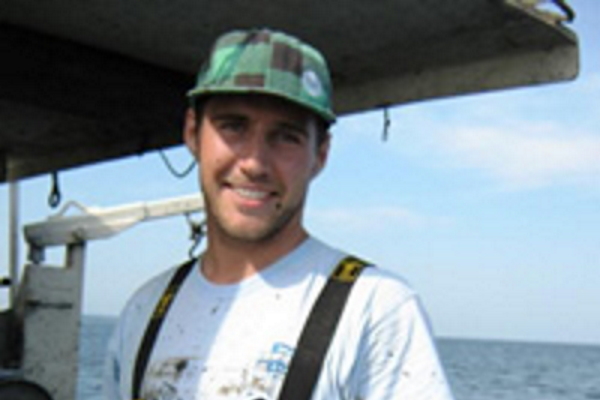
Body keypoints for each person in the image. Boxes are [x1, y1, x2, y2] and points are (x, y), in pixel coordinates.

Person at [104, 28, 455, 400]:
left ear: (320, 154)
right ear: (193, 133)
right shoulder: (144, 311)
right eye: (233, 126)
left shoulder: (376, 310)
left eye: (286, 136)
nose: (255, 162)